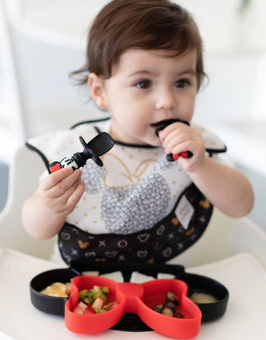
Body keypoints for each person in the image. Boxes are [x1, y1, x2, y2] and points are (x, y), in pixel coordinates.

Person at [22, 0, 254, 266]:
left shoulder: (194, 147)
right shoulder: (75, 148)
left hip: (164, 289)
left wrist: (201, 166)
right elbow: (36, 230)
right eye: (143, 83)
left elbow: (242, 205)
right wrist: (48, 206)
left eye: (182, 82)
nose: (166, 100)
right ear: (100, 91)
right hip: (78, 286)